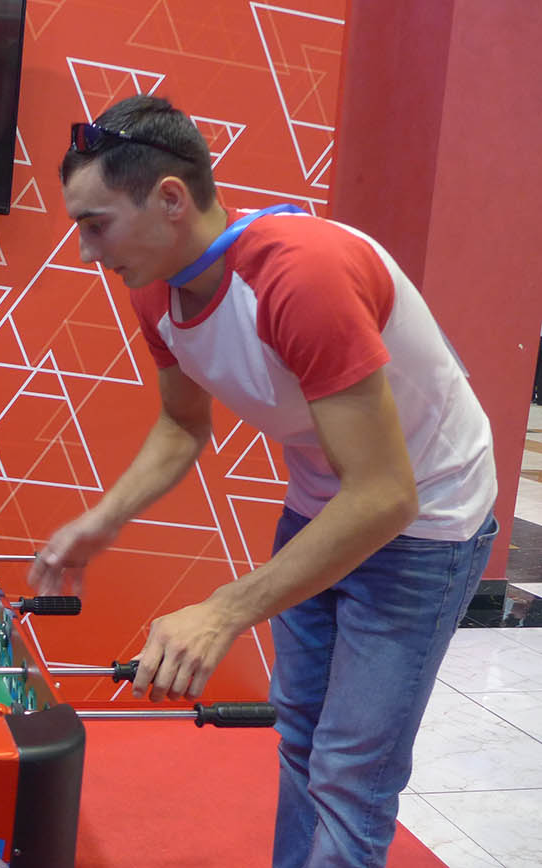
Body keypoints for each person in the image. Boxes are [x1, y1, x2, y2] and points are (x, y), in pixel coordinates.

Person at [29, 95, 497, 867]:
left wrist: (223, 611)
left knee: (351, 772)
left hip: (426, 523)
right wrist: (101, 520)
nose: (84, 251)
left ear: (170, 199)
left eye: (95, 224)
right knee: (302, 733)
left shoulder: (301, 276)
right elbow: (183, 423)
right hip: (324, 505)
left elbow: (386, 496)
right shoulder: (154, 286)